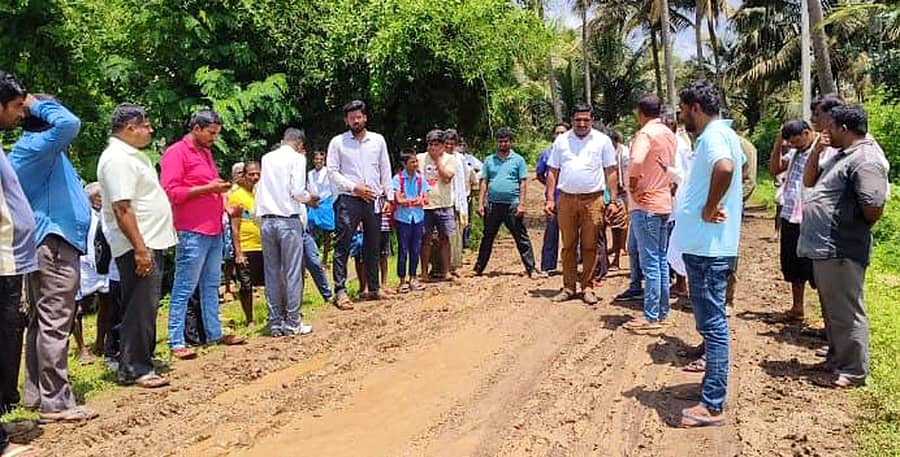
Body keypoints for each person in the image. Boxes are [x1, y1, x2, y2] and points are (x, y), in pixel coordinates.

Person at [9, 93, 96, 422]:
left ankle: (36, 394)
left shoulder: (42, 151)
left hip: (50, 243)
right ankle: (56, 402)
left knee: (42, 322)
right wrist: (31, 100)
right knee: (56, 323)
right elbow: (70, 122)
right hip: (54, 244)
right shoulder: (36, 147)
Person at [670, 81, 745, 428]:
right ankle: (708, 389)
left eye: (684, 109)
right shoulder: (724, 134)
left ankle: (712, 404)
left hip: (708, 248)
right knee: (709, 323)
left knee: (713, 326)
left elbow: (727, 169)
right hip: (709, 245)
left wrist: (709, 207)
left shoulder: (714, 136)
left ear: (695, 108)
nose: (682, 115)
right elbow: (735, 168)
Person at [798, 105, 888, 388]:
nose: (827, 131)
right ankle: (837, 360)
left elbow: (873, 206)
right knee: (833, 310)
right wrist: (816, 150)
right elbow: (810, 180)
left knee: (846, 312)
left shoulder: (865, 159)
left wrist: (847, 225)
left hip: (841, 247)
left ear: (844, 129)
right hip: (827, 248)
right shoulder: (842, 155)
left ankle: (853, 371)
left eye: (831, 127)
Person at [98, 102, 175, 388]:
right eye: (146, 125)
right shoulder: (117, 158)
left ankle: (141, 358)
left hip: (149, 240)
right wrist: (140, 248)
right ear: (130, 127)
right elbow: (122, 208)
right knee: (139, 305)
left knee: (146, 304)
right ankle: (133, 367)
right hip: (138, 243)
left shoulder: (132, 156)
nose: (150, 130)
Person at [161, 110, 244, 359]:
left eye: (216, 134)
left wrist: (225, 201)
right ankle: (176, 340)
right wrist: (210, 188)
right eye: (211, 133)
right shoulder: (176, 153)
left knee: (211, 285)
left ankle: (214, 332)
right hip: (192, 230)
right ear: (196, 128)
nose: (214, 138)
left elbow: (212, 187)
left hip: (214, 228)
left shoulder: (206, 152)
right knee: (184, 287)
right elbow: (172, 191)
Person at [544, 103, 619, 305]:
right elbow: (552, 171)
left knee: (590, 246)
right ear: (571, 120)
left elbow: (611, 171)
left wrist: (613, 200)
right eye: (578, 119)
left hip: (593, 201)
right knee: (568, 246)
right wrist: (550, 199)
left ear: (591, 120)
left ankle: (588, 287)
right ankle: (568, 287)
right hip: (566, 200)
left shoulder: (602, 141)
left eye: (586, 119)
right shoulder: (561, 141)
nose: (582, 123)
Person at [327, 100, 394, 309]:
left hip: (373, 199)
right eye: (351, 117)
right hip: (349, 199)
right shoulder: (338, 142)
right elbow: (332, 171)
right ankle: (341, 291)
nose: (356, 120)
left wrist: (389, 198)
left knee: (373, 244)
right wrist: (354, 187)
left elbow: (385, 168)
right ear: (346, 120)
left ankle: (373, 288)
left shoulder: (378, 140)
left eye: (359, 116)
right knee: (343, 244)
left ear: (365, 118)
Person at [0, 72, 38, 422]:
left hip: (10, 258)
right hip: (2, 258)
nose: (21, 114)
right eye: (15, 106)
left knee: (11, 332)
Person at [622, 95, 676, 332]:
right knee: (661, 259)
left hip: (646, 205)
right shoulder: (668, 134)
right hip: (664, 202)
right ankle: (662, 311)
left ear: (639, 112)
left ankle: (651, 315)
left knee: (651, 262)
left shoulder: (645, 134)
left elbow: (636, 161)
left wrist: (633, 187)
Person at [255, 128, 314, 336]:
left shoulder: (267, 158)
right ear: (299, 144)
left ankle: (275, 323)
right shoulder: (297, 158)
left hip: (267, 221)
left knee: (272, 273)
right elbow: (297, 192)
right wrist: (311, 199)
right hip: (287, 220)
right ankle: (292, 322)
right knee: (292, 273)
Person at [769, 120, 817, 322]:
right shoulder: (796, 151)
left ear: (807, 133)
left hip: (810, 216)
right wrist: (779, 143)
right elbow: (775, 169)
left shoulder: (820, 151)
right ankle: (797, 307)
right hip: (790, 213)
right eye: (792, 143)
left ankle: (828, 318)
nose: (794, 145)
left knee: (813, 266)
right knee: (791, 262)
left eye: (796, 141)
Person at [474, 128, 537, 277]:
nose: (503, 144)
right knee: (487, 237)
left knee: (521, 237)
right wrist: (480, 203)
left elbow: (522, 183)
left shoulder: (518, 160)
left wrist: (522, 204)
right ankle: (478, 269)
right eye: (501, 141)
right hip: (493, 205)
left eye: (506, 141)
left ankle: (531, 269)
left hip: (512, 205)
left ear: (511, 142)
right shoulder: (489, 160)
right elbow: (484, 182)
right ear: (497, 142)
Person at [418, 129, 457, 283]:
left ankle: (446, 271)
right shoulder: (421, 158)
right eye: (430, 144)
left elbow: (447, 177)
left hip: (444, 204)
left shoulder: (450, 159)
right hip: (425, 206)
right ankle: (423, 273)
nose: (433, 148)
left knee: (445, 238)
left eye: (436, 144)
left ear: (442, 146)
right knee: (425, 239)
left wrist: (437, 160)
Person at [228, 161, 264, 325]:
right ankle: (249, 319)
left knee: (269, 283)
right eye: (251, 174)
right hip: (246, 246)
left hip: (264, 245)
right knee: (246, 285)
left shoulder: (262, 193)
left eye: (258, 173)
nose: (255, 177)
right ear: (243, 175)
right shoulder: (237, 196)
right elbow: (234, 227)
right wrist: (238, 252)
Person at [535, 121, 569, 277]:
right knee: (551, 233)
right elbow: (540, 175)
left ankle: (574, 266)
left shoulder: (573, 152)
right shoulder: (547, 154)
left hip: (571, 199)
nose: (560, 135)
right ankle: (548, 266)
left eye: (563, 132)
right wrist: (551, 188)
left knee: (573, 235)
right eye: (557, 133)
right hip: (553, 200)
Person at [393, 153, 429, 293]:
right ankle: (402, 280)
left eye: (416, 162)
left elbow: (426, 199)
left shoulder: (420, 179)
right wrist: (416, 200)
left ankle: (413, 277)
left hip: (418, 217)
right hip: (403, 219)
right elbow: (398, 200)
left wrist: (409, 201)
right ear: (405, 164)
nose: (415, 164)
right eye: (412, 162)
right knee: (403, 250)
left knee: (415, 249)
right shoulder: (398, 179)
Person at [444, 129, 468, 278]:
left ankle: (454, 265)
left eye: (452, 144)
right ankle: (442, 266)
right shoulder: (440, 158)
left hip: (457, 200)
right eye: (447, 143)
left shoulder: (460, 159)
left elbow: (464, 179)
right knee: (445, 235)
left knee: (456, 234)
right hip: (444, 200)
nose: (449, 147)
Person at [607, 129, 630, 271]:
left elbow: (627, 172)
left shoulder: (624, 153)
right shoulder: (607, 153)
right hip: (609, 191)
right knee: (613, 223)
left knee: (621, 223)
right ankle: (615, 249)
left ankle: (618, 252)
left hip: (623, 191)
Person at [307, 151, 336, 266]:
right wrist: (311, 199)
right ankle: (312, 257)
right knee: (310, 229)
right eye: (316, 159)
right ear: (313, 160)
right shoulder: (310, 173)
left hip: (326, 202)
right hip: (313, 202)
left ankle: (324, 259)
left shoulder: (329, 172)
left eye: (321, 159)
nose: (318, 161)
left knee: (327, 232)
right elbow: (308, 187)